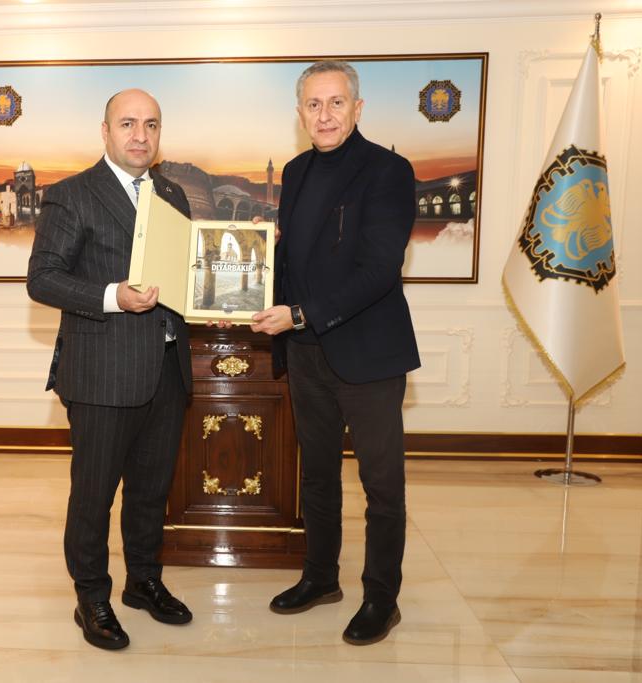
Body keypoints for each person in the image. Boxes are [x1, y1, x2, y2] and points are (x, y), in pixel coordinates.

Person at [249, 60, 420, 646]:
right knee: (317, 476)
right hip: (305, 354)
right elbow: (296, 262)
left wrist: (300, 314)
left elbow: (379, 270)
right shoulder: (295, 171)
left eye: (336, 103)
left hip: (369, 353)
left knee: (382, 485)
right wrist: (248, 293)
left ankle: (381, 599)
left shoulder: (389, 170)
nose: (325, 115)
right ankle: (321, 577)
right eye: (314, 104)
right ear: (300, 113)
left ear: (358, 108)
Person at [27, 88, 194, 651]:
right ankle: (91, 596)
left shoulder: (172, 193)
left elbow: (182, 275)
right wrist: (111, 296)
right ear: (105, 131)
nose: (140, 135)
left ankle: (143, 581)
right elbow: (42, 278)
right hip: (103, 371)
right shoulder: (71, 195)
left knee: (151, 491)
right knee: (93, 495)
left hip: (167, 369)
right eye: (127, 124)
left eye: (151, 124)